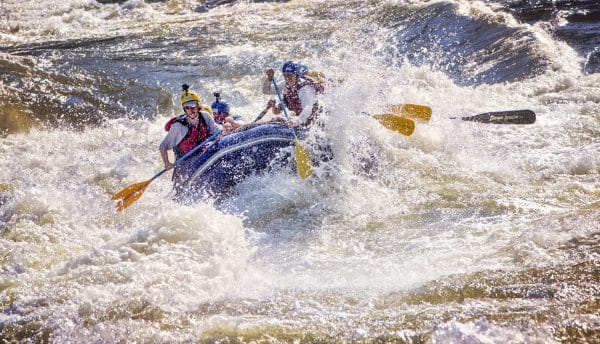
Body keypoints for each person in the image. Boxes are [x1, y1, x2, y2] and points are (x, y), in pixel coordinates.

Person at [159, 84, 220, 172]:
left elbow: (217, 132)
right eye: (187, 108)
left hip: (203, 154)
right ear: (184, 109)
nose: (190, 111)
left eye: (192, 107)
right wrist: (167, 163)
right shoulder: (179, 126)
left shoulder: (205, 116)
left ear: (198, 106)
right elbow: (163, 146)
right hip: (185, 162)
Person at [262, 61, 324, 127]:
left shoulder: (305, 89)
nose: (287, 78)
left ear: (297, 75)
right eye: (285, 75)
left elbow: (308, 109)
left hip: (315, 123)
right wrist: (269, 79)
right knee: (275, 119)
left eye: (290, 75)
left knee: (290, 118)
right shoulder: (286, 85)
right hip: (300, 119)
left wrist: (296, 121)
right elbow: (266, 90)